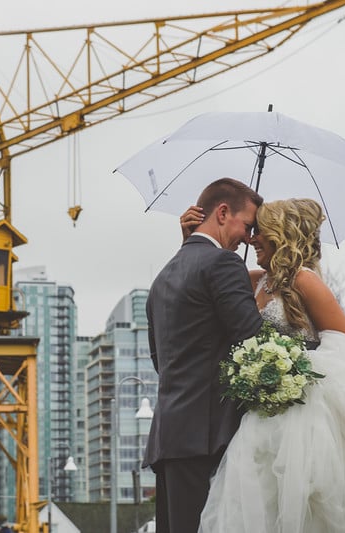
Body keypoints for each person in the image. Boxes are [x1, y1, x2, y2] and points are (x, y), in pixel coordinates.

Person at [181, 198, 345, 532]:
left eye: (258, 231)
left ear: (279, 233)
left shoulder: (306, 281)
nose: (251, 238)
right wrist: (192, 238)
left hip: (303, 421)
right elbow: (207, 273)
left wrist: (291, 367)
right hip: (258, 423)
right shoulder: (254, 280)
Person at [143, 177, 264, 533]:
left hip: (170, 438)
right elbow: (252, 340)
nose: (248, 237)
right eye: (247, 225)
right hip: (209, 438)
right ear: (223, 213)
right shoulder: (224, 265)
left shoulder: (163, 276)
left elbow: (160, 361)